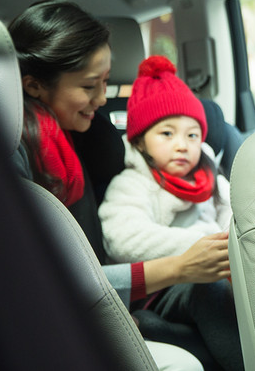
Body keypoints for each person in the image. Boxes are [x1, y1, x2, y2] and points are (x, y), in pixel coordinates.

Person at [8, 0, 231, 371]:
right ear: (33, 86)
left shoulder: (90, 138)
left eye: (106, 82)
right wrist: (180, 267)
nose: (101, 99)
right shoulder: (12, 153)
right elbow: (43, 283)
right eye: (89, 86)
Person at [98, 55, 243, 371]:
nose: (182, 145)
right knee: (209, 287)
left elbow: (234, 219)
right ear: (140, 142)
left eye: (192, 135)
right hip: (159, 286)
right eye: (166, 134)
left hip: (212, 271)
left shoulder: (210, 178)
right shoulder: (134, 182)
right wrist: (202, 244)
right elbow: (122, 239)